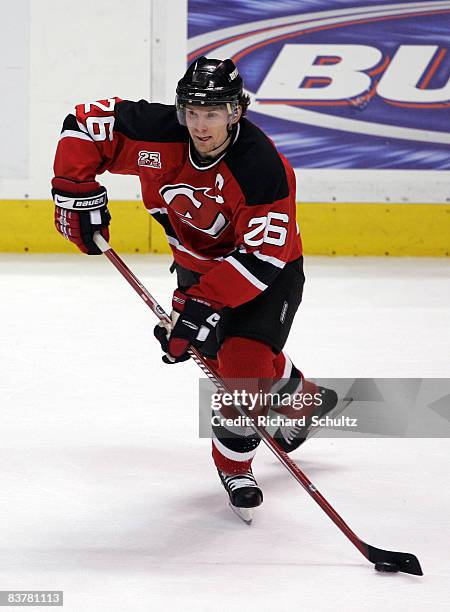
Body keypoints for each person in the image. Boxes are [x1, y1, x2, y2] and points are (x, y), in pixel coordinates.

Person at [52, 57, 337, 522]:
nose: (201, 125)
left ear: (236, 112)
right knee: (227, 358)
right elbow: (84, 124)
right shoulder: (158, 131)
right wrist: (73, 189)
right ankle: (303, 398)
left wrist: (201, 307)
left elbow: (261, 256)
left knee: (241, 375)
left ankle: (235, 467)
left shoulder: (263, 166)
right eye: (193, 112)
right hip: (194, 266)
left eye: (214, 113)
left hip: (266, 272)